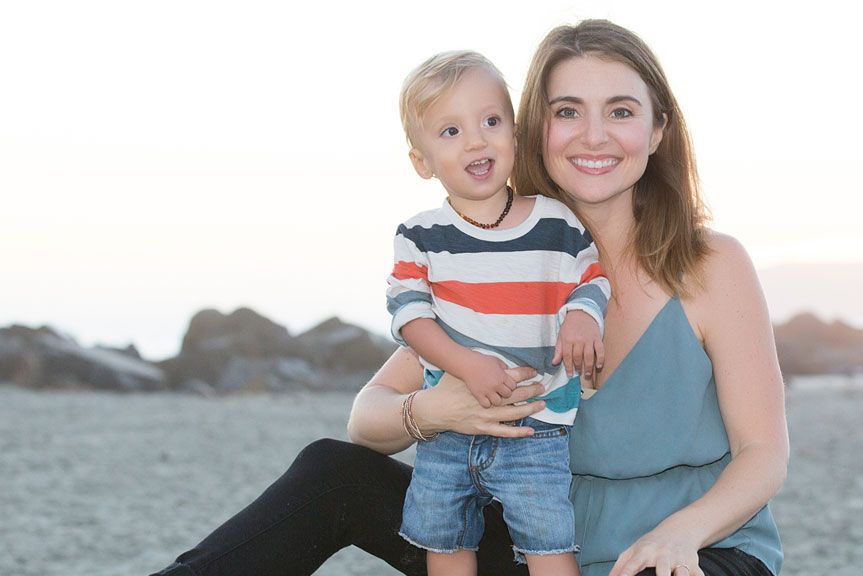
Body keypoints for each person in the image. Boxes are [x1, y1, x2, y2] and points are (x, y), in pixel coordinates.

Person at [150, 18, 787, 576]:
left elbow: (764, 454)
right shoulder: (491, 262)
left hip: (696, 551)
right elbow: (367, 417)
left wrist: (681, 533)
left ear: (657, 129)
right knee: (331, 473)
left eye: (620, 111)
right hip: (541, 551)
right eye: (567, 112)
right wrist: (434, 411)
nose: (593, 136)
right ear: (536, 130)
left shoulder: (713, 264)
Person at [387, 50, 609, 576]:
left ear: (515, 133)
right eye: (450, 131)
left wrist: (583, 317)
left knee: (549, 541)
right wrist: (467, 365)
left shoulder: (556, 224)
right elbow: (410, 317)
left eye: (491, 121)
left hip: (537, 428)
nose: (476, 141)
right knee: (444, 539)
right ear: (422, 161)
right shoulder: (419, 236)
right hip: (448, 431)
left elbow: (592, 278)